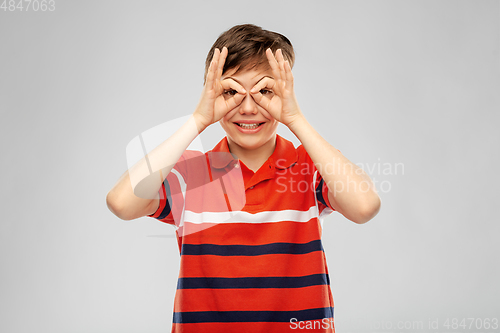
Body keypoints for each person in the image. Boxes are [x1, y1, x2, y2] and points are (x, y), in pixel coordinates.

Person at [106, 24, 381, 333]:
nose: (249, 108)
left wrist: (295, 119)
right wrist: (198, 120)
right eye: (231, 92)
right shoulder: (191, 174)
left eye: (266, 91)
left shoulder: (310, 166)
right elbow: (121, 203)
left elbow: (365, 206)